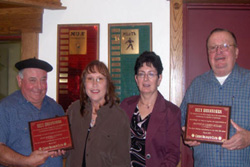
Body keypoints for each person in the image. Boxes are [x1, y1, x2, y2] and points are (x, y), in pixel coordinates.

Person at [180, 28, 250, 166]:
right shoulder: (196, 85)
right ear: (208, 54)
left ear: (236, 52)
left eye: (225, 46)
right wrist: (186, 135)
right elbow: (181, 122)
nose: (218, 51)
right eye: (213, 48)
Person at [0, 58, 65, 167]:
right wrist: (26, 162)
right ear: (20, 81)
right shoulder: (5, 108)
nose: (39, 87)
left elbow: (65, 147)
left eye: (43, 80)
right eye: (32, 80)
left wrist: (63, 149)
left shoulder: (56, 108)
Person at [120, 51, 181, 167]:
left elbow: (173, 154)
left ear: (159, 79)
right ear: (136, 79)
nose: (146, 79)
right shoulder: (125, 106)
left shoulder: (172, 112)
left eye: (151, 74)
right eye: (141, 74)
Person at [65, 60, 130, 167]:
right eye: (90, 78)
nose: (95, 84)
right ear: (84, 83)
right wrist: (59, 149)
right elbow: (66, 149)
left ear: (107, 83)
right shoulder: (74, 110)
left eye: (100, 79)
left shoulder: (119, 117)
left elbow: (122, 161)